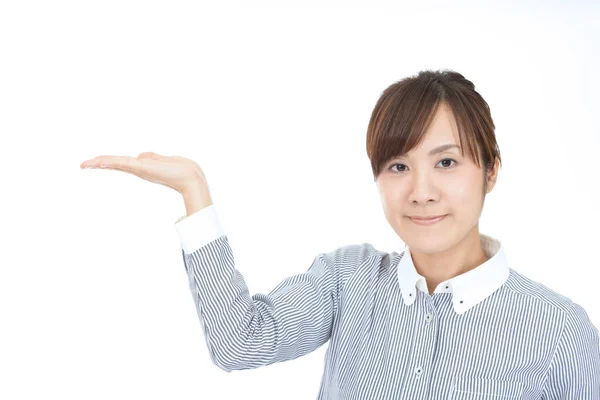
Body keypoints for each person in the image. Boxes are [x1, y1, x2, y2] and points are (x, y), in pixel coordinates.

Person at [80, 69, 600, 399]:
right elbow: (239, 344)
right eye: (398, 166)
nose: (421, 191)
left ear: (491, 171)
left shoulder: (560, 330)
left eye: (446, 162)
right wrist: (194, 190)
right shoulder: (346, 281)